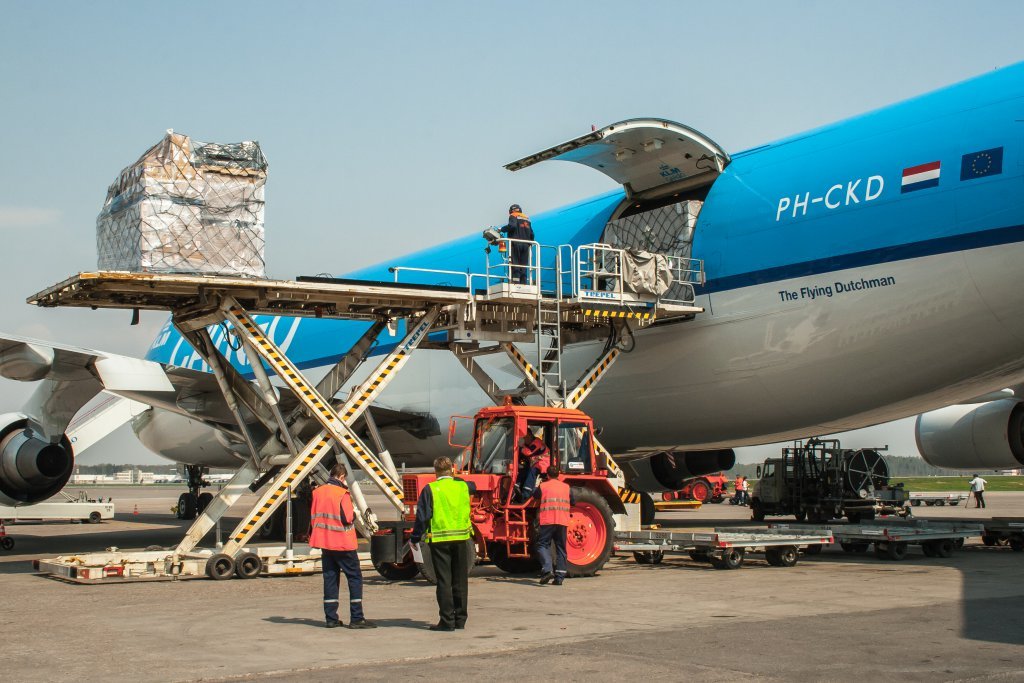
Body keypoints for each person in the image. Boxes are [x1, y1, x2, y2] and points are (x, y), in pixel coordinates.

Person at [411, 456, 477, 632]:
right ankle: (461, 620)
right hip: (462, 539)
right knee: (460, 580)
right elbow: (474, 486)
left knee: (444, 581)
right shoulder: (462, 486)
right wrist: (456, 479)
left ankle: (447, 621)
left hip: (440, 541)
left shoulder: (431, 489)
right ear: (452, 470)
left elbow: (423, 517)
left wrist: (415, 537)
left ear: (435, 471)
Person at [309, 464, 376, 629]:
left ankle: (331, 618)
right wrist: (354, 514)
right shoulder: (342, 493)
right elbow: (347, 518)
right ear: (342, 477)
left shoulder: (318, 492)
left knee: (330, 578)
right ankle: (356, 618)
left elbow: (314, 516)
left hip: (325, 542)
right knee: (354, 578)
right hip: (343, 543)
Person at [533, 462, 574, 585]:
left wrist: (536, 485)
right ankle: (559, 578)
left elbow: (535, 495)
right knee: (561, 548)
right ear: (558, 474)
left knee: (542, 545)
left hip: (548, 520)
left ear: (548, 475)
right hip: (562, 521)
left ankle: (547, 569)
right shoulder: (566, 487)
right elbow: (573, 501)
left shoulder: (543, 486)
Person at [501, 203, 535, 284]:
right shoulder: (527, 219)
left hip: (516, 243)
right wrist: (529, 244)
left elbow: (512, 226)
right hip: (526, 245)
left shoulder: (513, 216)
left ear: (511, 211)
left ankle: (516, 283)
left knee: (515, 264)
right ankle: (523, 283)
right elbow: (532, 234)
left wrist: (502, 229)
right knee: (523, 266)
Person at [515, 430, 550, 502]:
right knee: (524, 467)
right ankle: (517, 486)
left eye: (525, 438)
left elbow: (528, 452)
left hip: (545, 463)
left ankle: (526, 493)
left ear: (530, 435)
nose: (525, 440)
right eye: (523, 438)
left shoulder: (537, 443)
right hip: (538, 462)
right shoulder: (531, 443)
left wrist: (520, 446)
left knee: (533, 470)